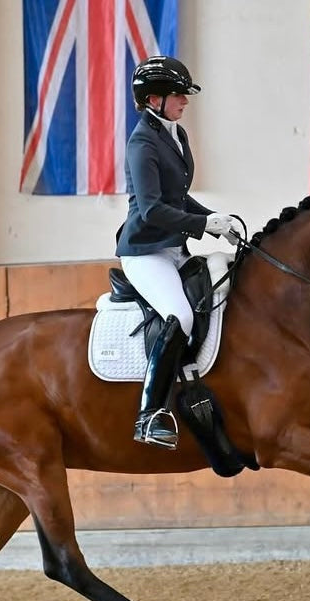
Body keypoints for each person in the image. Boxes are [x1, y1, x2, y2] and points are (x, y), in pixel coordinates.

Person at [116, 55, 240, 449]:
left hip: (174, 248)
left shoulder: (176, 134)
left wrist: (216, 220)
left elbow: (179, 197)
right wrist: (204, 226)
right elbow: (152, 209)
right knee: (181, 315)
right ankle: (149, 414)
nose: (185, 100)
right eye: (178, 95)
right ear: (154, 100)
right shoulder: (141, 143)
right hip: (145, 252)